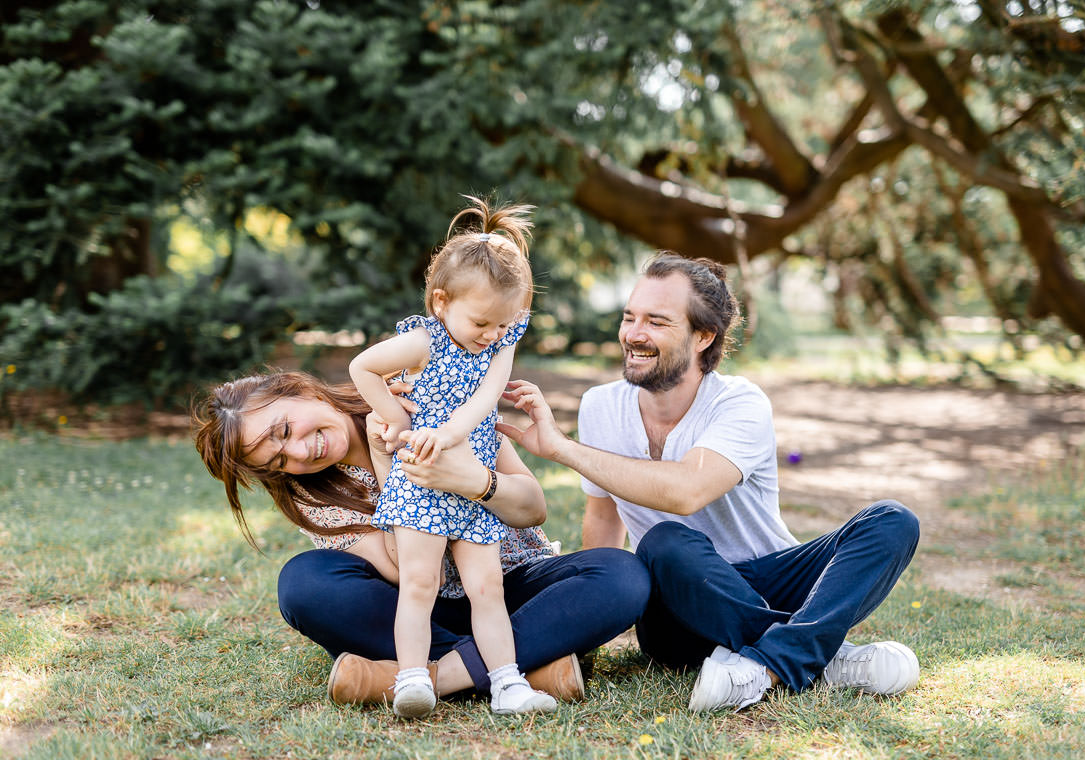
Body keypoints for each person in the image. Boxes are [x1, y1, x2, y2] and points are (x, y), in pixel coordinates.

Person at [499, 252, 921, 712]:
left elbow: (686, 491)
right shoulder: (601, 406)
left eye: (657, 322)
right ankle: (822, 656)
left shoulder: (741, 403)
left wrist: (563, 448)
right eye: (629, 317)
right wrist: (588, 630)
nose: (634, 335)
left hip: (768, 578)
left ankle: (769, 665)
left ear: (703, 336)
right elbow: (604, 519)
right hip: (676, 609)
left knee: (892, 521)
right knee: (664, 542)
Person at [192, 370, 649, 715]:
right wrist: (382, 459)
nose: (297, 453)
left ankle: (430, 678)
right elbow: (401, 570)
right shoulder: (312, 493)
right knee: (303, 584)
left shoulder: (425, 395)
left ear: (300, 390)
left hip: (509, 585)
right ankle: (522, 669)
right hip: (421, 609)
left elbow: (532, 508)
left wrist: (473, 480)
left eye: (285, 431)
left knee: (621, 575)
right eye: (278, 461)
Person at [347, 197, 552, 718]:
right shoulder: (422, 341)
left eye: (504, 325)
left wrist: (449, 431)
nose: (494, 334)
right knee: (421, 582)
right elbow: (362, 368)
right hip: (421, 480)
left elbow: (488, 396)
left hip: (471, 478)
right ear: (441, 302)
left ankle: (508, 684)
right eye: (483, 323)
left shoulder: (501, 338)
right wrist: (394, 418)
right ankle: (413, 678)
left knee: (488, 585)